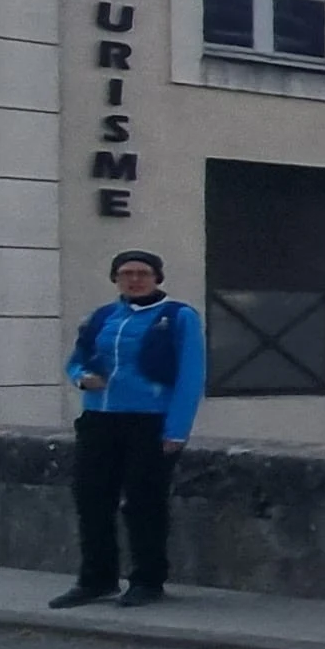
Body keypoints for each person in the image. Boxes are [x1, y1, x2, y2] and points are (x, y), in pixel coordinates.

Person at [51, 247, 204, 607]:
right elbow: (77, 360)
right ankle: (96, 579)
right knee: (91, 499)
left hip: (149, 420)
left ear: (156, 278)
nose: (134, 280)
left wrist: (176, 430)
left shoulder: (178, 316)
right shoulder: (102, 316)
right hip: (100, 418)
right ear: (116, 278)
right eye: (126, 273)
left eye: (142, 273)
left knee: (144, 502)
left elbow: (191, 376)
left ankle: (148, 579)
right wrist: (81, 378)